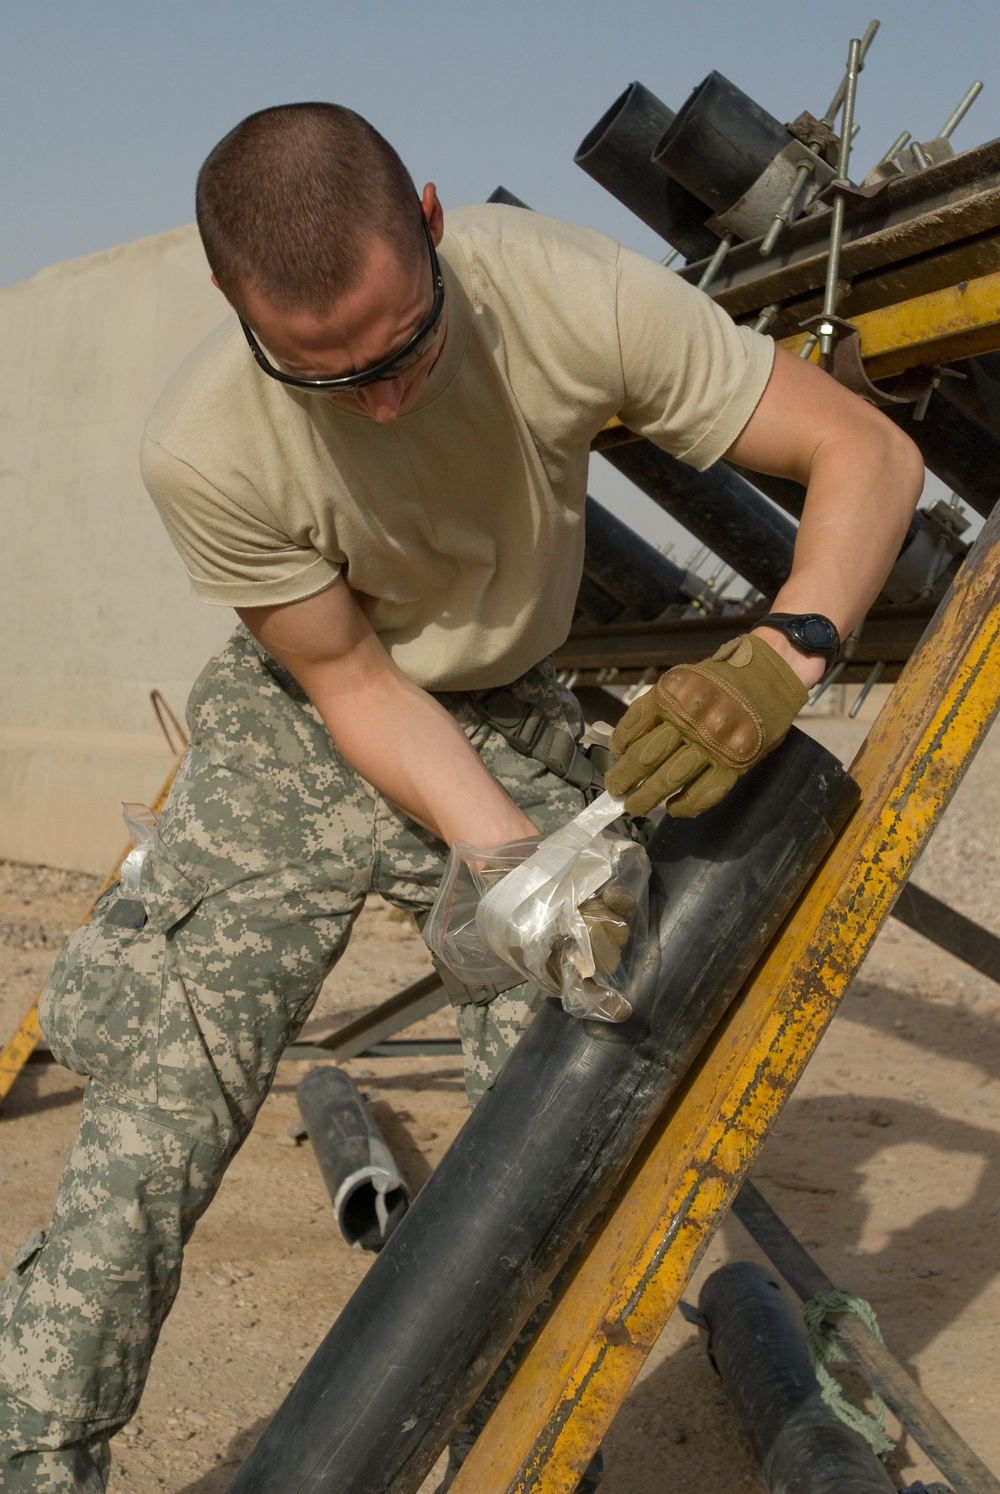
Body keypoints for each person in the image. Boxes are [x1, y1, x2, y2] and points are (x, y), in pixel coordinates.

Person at [0, 102, 923, 1492]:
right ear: (232, 306)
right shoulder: (202, 447)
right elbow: (354, 678)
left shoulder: (561, 291)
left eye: (399, 348)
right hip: (299, 734)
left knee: (560, 1125)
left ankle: (527, 1463)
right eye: (322, 375)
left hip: (515, 708)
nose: (378, 399)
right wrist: (498, 853)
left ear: (431, 223)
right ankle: (33, 1454)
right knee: (154, 1113)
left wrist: (789, 644)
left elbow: (870, 454)